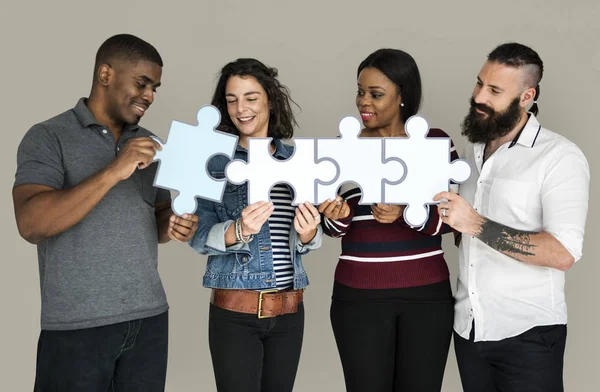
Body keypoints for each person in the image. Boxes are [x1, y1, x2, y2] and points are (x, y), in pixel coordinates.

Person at [12, 34, 198, 392]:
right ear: (105, 74)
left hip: (149, 320)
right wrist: (116, 169)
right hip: (76, 327)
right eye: (142, 83)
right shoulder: (48, 137)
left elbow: (156, 218)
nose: (150, 96)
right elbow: (31, 224)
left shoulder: (149, 141)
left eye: (155, 88)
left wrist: (173, 223)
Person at [434, 42, 590, 392]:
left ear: (526, 96)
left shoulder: (559, 157)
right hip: (469, 331)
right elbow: (462, 232)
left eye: (494, 90)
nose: (478, 96)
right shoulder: (469, 153)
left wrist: (475, 224)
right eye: (479, 83)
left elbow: (562, 252)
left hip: (528, 335)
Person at [319, 48, 459, 392]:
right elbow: (331, 228)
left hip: (427, 297)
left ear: (402, 97)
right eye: (360, 91)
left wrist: (408, 212)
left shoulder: (436, 144)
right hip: (358, 298)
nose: (363, 102)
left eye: (375, 94)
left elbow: (454, 220)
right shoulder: (341, 147)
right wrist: (337, 217)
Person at [189, 58, 323, 392]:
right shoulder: (214, 161)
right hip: (236, 313)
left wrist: (309, 233)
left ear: (270, 100)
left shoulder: (297, 159)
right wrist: (239, 230)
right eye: (232, 99)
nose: (240, 108)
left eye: (250, 97)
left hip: (291, 311)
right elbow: (198, 235)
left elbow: (305, 239)